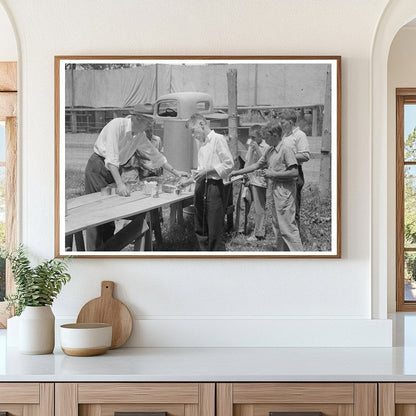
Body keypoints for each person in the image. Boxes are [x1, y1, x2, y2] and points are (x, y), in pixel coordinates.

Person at [84, 103, 187, 250]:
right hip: (98, 167)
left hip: (113, 169)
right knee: (96, 213)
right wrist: (120, 184)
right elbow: (111, 160)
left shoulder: (139, 135)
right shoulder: (117, 125)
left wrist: (176, 172)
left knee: (108, 215)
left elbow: (155, 156)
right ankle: (92, 256)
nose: (150, 125)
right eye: (148, 121)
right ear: (137, 118)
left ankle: (107, 252)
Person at [229, 121, 303, 252]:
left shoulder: (286, 149)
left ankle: (299, 257)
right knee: (278, 226)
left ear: (275, 135)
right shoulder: (270, 150)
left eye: (267, 137)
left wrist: (273, 174)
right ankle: (283, 254)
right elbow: (256, 165)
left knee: (288, 229)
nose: (265, 140)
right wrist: (236, 172)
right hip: (274, 191)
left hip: (285, 192)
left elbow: (294, 172)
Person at [183, 113, 234, 251]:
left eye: (193, 131)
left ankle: (217, 260)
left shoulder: (218, 139)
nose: (193, 135)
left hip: (214, 187)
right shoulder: (201, 143)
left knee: (214, 228)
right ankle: (204, 256)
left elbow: (229, 165)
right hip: (201, 186)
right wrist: (188, 182)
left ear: (202, 124)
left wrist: (208, 172)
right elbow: (201, 170)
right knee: (200, 226)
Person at [279, 109, 310, 226]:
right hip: (284, 173)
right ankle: (287, 237)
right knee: (285, 207)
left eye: (283, 123)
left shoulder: (300, 135)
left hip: (294, 173)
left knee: (294, 208)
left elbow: (305, 155)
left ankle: (296, 240)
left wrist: (286, 157)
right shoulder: (285, 136)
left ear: (291, 122)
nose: (281, 125)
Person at [243, 124, 270, 241]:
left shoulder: (266, 146)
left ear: (260, 136)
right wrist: (244, 174)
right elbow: (247, 161)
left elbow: (266, 162)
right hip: (250, 178)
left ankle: (259, 233)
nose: (252, 140)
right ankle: (242, 228)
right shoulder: (251, 146)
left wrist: (257, 149)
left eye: (254, 137)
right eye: (251, 137)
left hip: (259, 180)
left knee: (259, 208)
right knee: (245, 204)